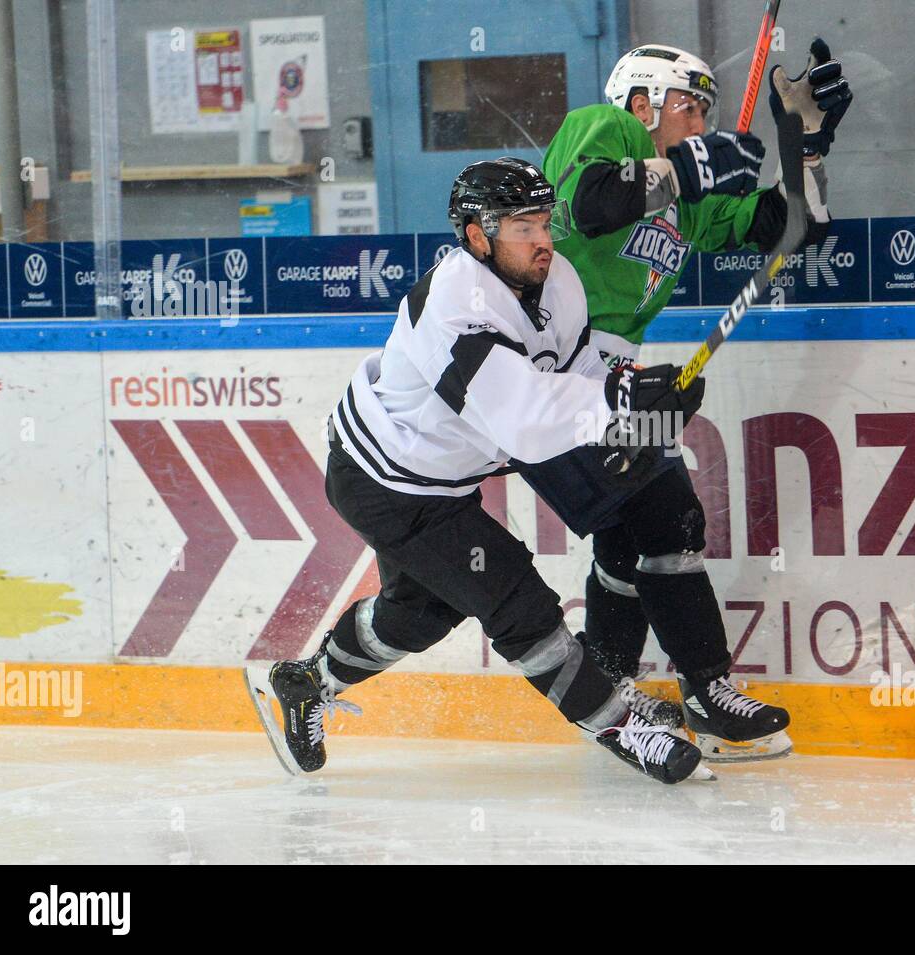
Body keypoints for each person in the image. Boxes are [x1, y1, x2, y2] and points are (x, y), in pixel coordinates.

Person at [244, 157, 712, 785]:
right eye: (523, 227)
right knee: (516, 599)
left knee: (422, 611)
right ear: (476, 235)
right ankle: (620, 727)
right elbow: (520, 420)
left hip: (442, 481)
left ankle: (306, 682)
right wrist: (618, 403)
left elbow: (576, 380)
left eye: (544, 222)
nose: (543, 239)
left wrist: (640, 402)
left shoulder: (560, 280)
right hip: (386, 482)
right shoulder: (457, 300)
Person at [516, 41, 852, 761]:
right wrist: (693, 165)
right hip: (552, 374)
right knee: (671, 515)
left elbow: (791, 227)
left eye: (704, 110)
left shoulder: (683, 200)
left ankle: (607, 694)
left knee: (632, 531)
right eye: (688, 107)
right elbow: (590, 203)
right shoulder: (605, 130)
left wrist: (808, 147)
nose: (699, 122)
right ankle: (707, 693)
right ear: (641, 104)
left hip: (611, 382)